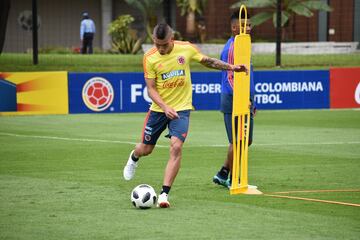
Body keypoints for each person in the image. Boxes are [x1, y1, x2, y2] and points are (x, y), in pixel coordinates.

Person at [123, 22, 248, 208]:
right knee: (145, 150)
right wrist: (165, 107)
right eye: (157, 44)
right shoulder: (149, 58)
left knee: (176, 147)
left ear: (171, 38)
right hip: (159, 109)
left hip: (182, 108)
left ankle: (164, 194)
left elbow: (209, 61)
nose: (160, 48)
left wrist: (231, 67)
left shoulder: (186, 49)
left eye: (164, 44)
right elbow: (150, 90)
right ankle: (134, 157)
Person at [212, 10, 256, 188]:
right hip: (234, 100)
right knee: (238, 140)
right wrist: (242, 99)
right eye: (245, 25)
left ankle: (223, 173)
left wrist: (253, 99)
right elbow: (231, 77)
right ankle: (233, 179)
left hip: (245, 99)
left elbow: (248, 75)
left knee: (246, 140)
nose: (249, 28)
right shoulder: (232, 47)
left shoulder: (244, 44)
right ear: (234, 27)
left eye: (250, 25)